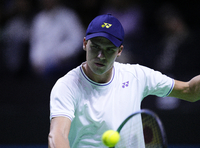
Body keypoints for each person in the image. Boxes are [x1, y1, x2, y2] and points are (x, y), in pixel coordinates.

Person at [48, 14, 200, 147]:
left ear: (120, 51)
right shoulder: (67, 86)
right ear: (84, 43)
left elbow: (190, 91)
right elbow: (57, 135)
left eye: (109, 49)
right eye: (95, 47)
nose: (101, 55)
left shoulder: (136, 76)